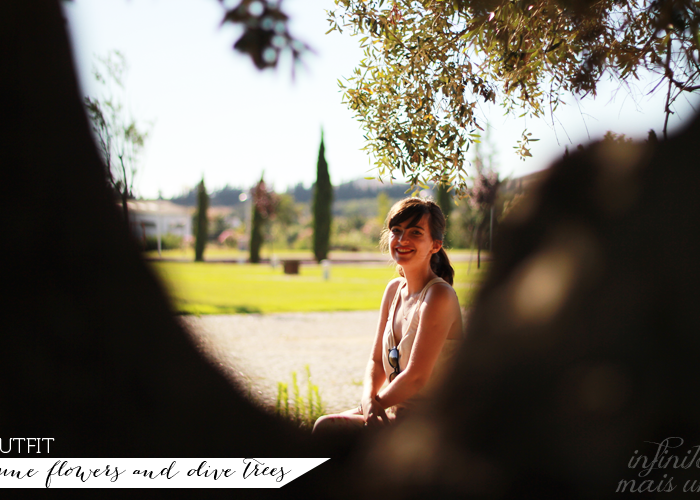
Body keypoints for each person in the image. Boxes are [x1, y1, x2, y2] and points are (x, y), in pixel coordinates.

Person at [312, 197, 463, 434]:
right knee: (325, 427)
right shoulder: (394, 290)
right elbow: (375, 362)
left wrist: (375, 405)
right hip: (395, 412)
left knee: (327, 430)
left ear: (435, 245)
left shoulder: (439, 296)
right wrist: (368, 399)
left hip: (433, 424)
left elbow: (416, 377)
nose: (403, 240)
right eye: (396, 231)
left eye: (415, 232)